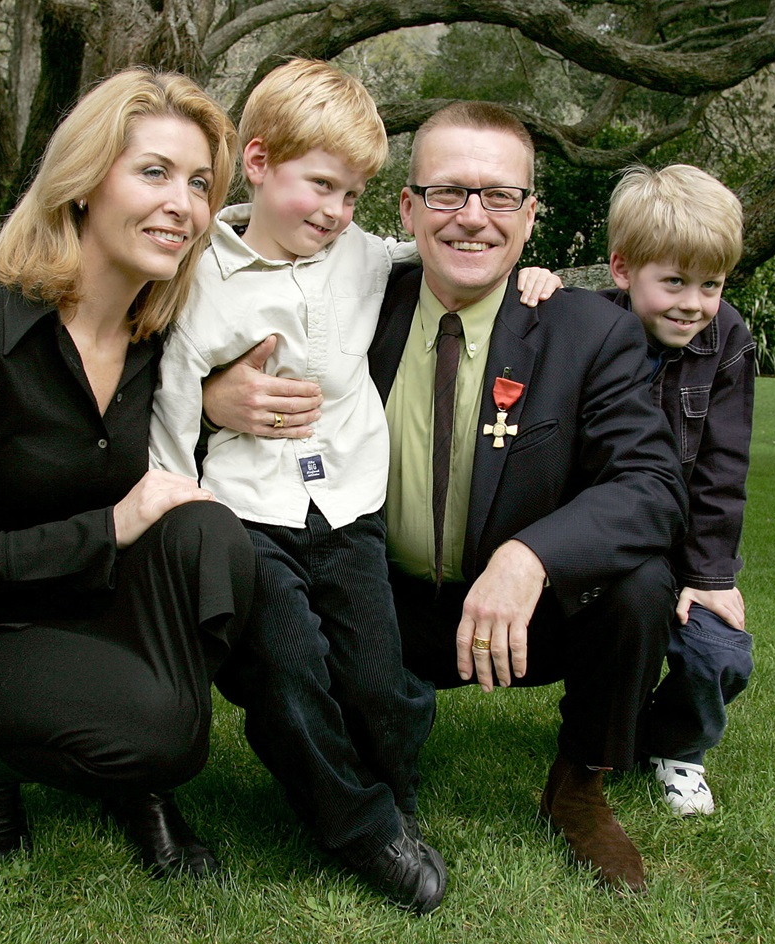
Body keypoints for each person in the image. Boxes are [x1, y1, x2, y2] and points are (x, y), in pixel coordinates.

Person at [203, 102, 687, 893]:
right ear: (407, 206)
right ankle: (361, 779)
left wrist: (530, 559)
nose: (473, 219)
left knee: (639, 585)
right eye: (448, 193)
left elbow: (653, 485)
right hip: (376, 597)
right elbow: (220, 304)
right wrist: (217, 396)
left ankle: (580, 786)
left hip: (522, 617)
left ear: (531, 217)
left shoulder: (588, 332)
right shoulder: (355, 295)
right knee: (279, 600)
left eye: (499, 197)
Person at [149, 59, 557, 913]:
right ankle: (363, 829)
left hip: (347, 508)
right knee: (292, 669)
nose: (335, 212)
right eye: (321, 186)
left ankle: (391, 788)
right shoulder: (198, 276)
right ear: (257, 163)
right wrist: (179, 504)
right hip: (249, 511)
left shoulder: (363, 257)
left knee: (379, 678)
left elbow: (452, 246)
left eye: (353, 195)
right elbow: (174, 404)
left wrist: (533, 272)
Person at [0, 69, 254, 880]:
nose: (182, 205)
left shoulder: (161, 339)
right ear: (84, 184)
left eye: (198, 185)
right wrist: (109, 528)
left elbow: (314, 264)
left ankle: (141, 769)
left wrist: (519, 282)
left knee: (214, 539)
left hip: (85, 600)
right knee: (164, 733)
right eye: (153, 172)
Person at [604, 164, 755, 816]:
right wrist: (535, 281)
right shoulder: (589, 328)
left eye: (710, 284)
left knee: (720, 653)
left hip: (684, 545)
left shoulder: (727, 341)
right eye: (673, 282)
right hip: (608, 538)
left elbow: (723, 469)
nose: (692, 302)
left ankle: (675, 746)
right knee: (624, 632)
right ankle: (613, 730)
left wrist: (712, 574)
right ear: (622, 271)